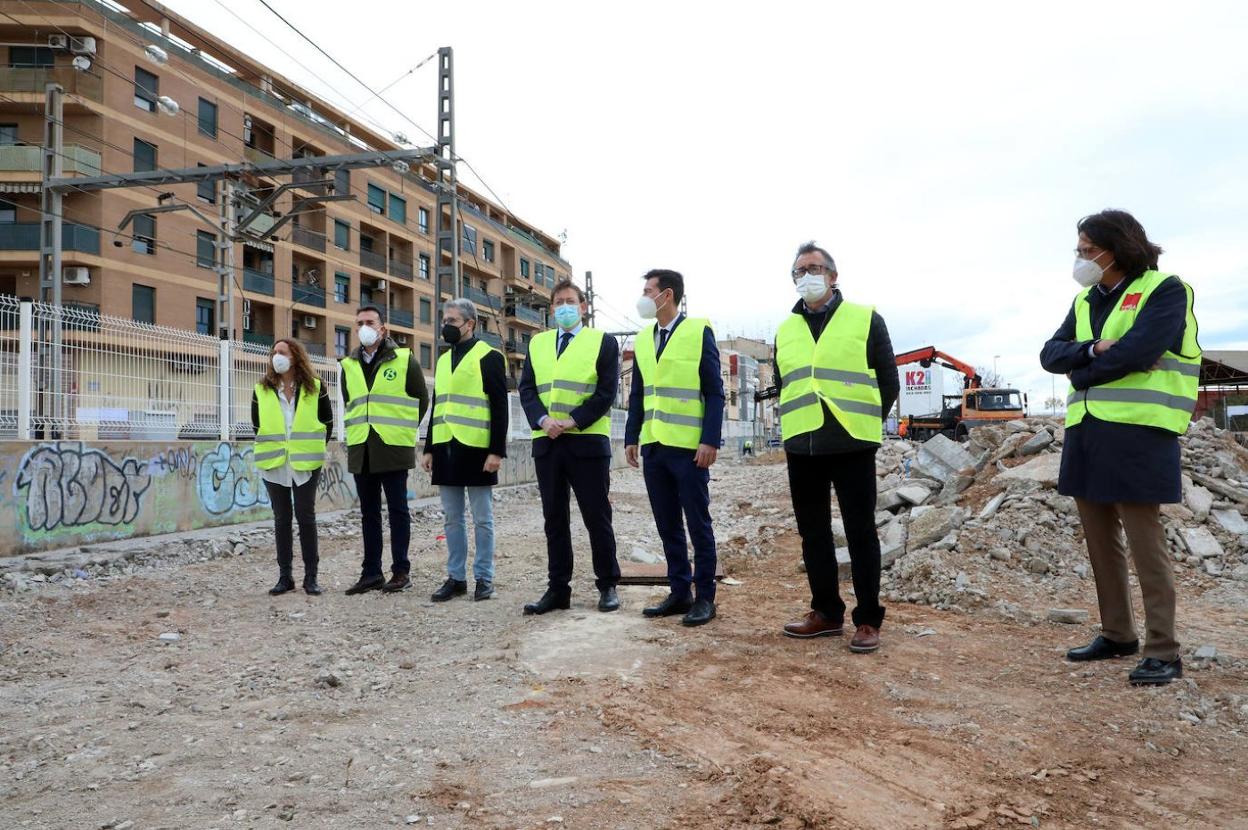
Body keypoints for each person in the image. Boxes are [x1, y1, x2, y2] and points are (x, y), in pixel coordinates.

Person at [1041, 209, 1200, 687]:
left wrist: (1082, 367)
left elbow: (1138, 349)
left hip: (1139, 432)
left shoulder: (1165, 289)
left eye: (1089, 249)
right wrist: (1091, 352)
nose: (1082, 258)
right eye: (1080, 250)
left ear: (1117, 247)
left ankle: (1163, 649)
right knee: (1099, 540)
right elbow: (1050, 353)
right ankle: (1117, 633)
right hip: (1087, 431)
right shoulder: (1087, 299)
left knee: (1144, 542)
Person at [775, 242, 899, 654]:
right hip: (802, 443)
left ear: (832, 275)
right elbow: (786, 383)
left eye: (814, 268)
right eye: (799, 271)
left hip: (852, 442)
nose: (806, 276)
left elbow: (887, 381)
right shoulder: (785, 330)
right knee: (814, 535)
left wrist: (866, 425)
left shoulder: (865, 319)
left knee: (861, 533)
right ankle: (826, 613)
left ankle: (867, 619)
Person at [625, 269, 725, 627]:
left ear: (666, 295)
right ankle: (680, 591)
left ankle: (705, 598)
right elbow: (638, 393)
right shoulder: (643, 338)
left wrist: (710, 439)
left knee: (698, 524)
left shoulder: (698, 331)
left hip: (689, 449)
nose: (642, 296)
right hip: (654, 446)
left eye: (647, 290)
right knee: (667, 524)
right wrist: (631, 436)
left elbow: (714, 391)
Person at [519, 279, 622, 615]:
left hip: (587, 442)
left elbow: (606, 393)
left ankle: (607, 585)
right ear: (551, 309)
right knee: (554, 519)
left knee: (597, 516)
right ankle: (557, 589)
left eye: (570, 301)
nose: (564, 307)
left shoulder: (602, 342)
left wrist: (573, 420)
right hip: (547, 443)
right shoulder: (538, 344)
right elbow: (527, 390)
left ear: (583, 307)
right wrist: (542, 420)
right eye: (558, 302)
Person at [423, 298, 509, 602]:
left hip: (477, 449)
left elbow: (500, 407)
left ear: (470, 324)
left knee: (482, 519)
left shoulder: (490, 357)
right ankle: (456, 578)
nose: (446, 326)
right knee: (451, 519)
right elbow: (438, 406)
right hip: (446, 449)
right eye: (444, 321)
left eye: (452, 321)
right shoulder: (444, 360)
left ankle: (484, 578)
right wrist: (429, 447)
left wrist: (496, 451)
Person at [340, 305, 429, 595]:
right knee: (368, 513)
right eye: (360, 323)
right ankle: (371, 573)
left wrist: (402, 430)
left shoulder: (404, 359)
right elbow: (350, 402)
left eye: (370, 322)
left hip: (392, 447)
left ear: (383, 328)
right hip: (361, 448)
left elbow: (420, 399)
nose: (364, 327)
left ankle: (401, 571)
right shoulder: (348, 365)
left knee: (398, 511)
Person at [251, 338, 334, 595]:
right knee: (281, 519)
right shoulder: (261, 390)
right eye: (274, 352)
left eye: (282, 352)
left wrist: (310, 448)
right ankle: (285, 577)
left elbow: (327, 423)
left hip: (305, 462)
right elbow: (256, 425)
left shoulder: (315, 388)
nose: (277, 356)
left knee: (306, 517)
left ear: (295, 356)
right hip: (274, 462)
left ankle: (311, 577)